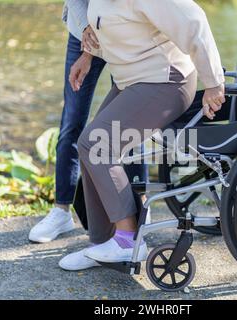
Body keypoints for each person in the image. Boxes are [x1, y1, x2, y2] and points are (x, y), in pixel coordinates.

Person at [58, 0, 226, 271]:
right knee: (89, 147)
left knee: (96, 145)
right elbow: (105, 24)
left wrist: (214, 83)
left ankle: (127, 242)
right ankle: (102, 243)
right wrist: (87, 55)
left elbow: (195, 22)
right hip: (132, 79)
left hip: (166, 81)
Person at [28, 0, 148, 260]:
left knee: (129, 126)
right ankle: (61, 211)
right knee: (72, 121)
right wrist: (86, 30)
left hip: (123, 33)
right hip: (82, 31)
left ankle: (139, 217)